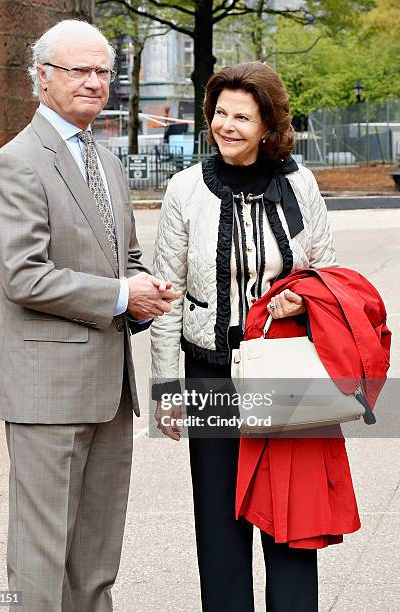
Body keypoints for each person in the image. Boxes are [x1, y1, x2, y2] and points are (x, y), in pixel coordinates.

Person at [0, 19, 179, 612]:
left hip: (110, 391)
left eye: (103, 71)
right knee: (42, 562)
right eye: (79, 71)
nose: (95, 83)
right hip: (48, 394)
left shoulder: (104, 159)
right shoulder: (16, 163)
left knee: (96, 560)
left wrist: (148, 286)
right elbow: (23, 275)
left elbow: (125, 256)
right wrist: (122, 295)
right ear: (42, 79)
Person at [151, 62, 360, 611]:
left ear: (268, 124)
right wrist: (166, 387)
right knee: (218, 522)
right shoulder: (184, 189)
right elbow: (167, 295)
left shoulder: (300, 183)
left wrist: (303, 296)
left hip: (285, 371)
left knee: (290, 516)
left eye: (242, 116)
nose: (227, 125)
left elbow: (329, 273)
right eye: (220, 113)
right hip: (210, 372)